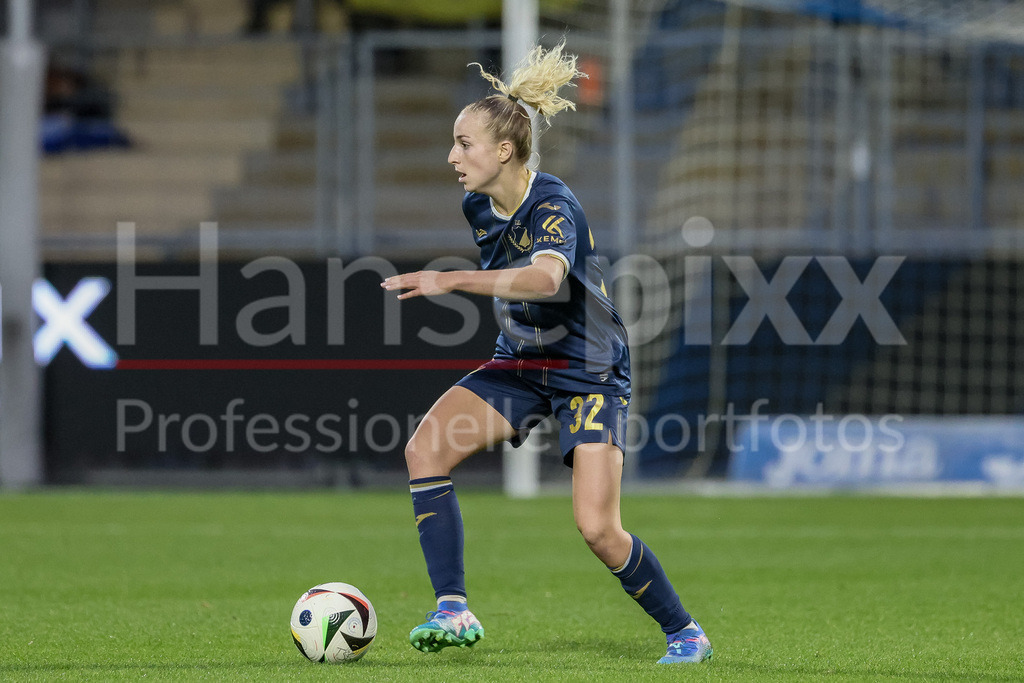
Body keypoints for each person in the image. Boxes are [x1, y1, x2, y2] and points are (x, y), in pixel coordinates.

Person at [380, 41, 712, 665]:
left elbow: (545, 281)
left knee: (597, 529)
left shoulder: (554, 205)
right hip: (521, 361)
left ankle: (685, 632)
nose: (452, 156)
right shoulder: (477, 204)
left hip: (587, 369)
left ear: (503, 150)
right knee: (425, 446)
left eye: (464, 143)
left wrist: (448, 280)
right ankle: (452, 609)